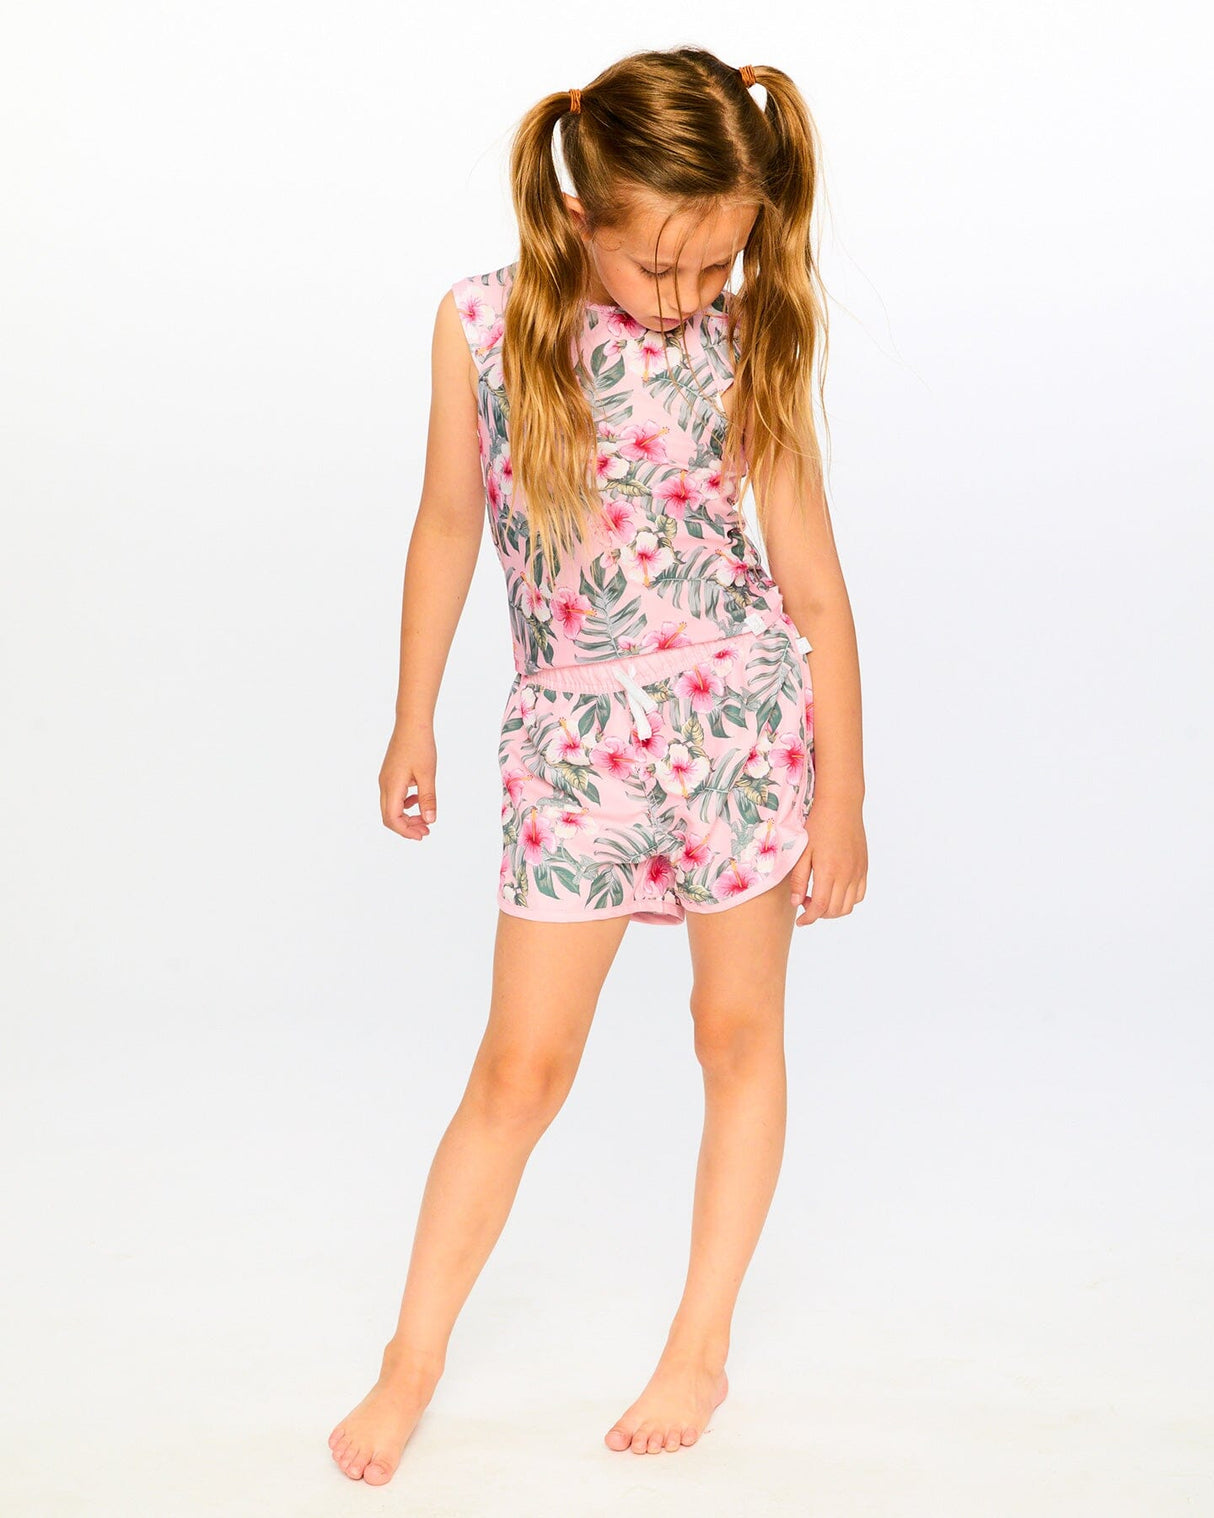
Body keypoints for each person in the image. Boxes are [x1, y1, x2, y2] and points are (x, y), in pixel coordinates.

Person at [329, 45, 867, 1486]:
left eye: (716, 266)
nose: (687, 297)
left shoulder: (747, 338)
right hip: (573, 743)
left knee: (734, 1036)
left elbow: (812, 590)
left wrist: (843, 798)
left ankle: (700, 1341)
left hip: (739, 734)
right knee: (519, 1066)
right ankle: (411, 1357)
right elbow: (449, 523)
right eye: (658, 267)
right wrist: (412, 713)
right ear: (580, 217)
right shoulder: (480, 326)